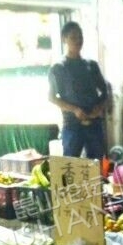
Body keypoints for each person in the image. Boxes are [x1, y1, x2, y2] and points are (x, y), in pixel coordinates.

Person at [48, 21, 108, 160]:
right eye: (73, 37)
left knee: (96, 164)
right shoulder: (58, 68)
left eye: (80, 37)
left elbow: (105, 91)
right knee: (71, 164)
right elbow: (51, 97)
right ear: (64, 39)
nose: (78, 40)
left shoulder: (91, 65)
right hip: (72, 125)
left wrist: (99, 107)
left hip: (94, 124)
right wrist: (74, 109)